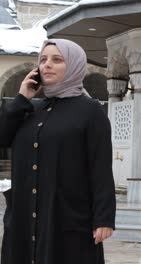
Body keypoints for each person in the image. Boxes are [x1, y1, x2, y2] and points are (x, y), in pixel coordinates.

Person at [0, 39, 116, 264]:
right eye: (43, 60)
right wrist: (22, 98)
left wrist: (104, 218)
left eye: (57, 60)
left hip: (67, 218)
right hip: (24, 218)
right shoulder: (29, 109)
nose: (47, 65)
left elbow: (100, 167)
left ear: (73, 65)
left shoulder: (90, 110)